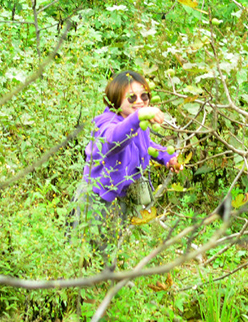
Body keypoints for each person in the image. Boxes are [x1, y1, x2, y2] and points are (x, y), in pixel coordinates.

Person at [73, 70, 184, 255]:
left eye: (144, 96)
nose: (139, 101)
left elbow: (146, 144)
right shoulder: (106, 123)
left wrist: (166, 157)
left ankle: (107, 277)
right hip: (97, 198)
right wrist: (138, 116)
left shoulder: (137, 122)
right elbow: (113, 140)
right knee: (85, 249)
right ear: (116, 99)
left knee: (111, 246)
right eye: (132, 98)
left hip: (121, 198)